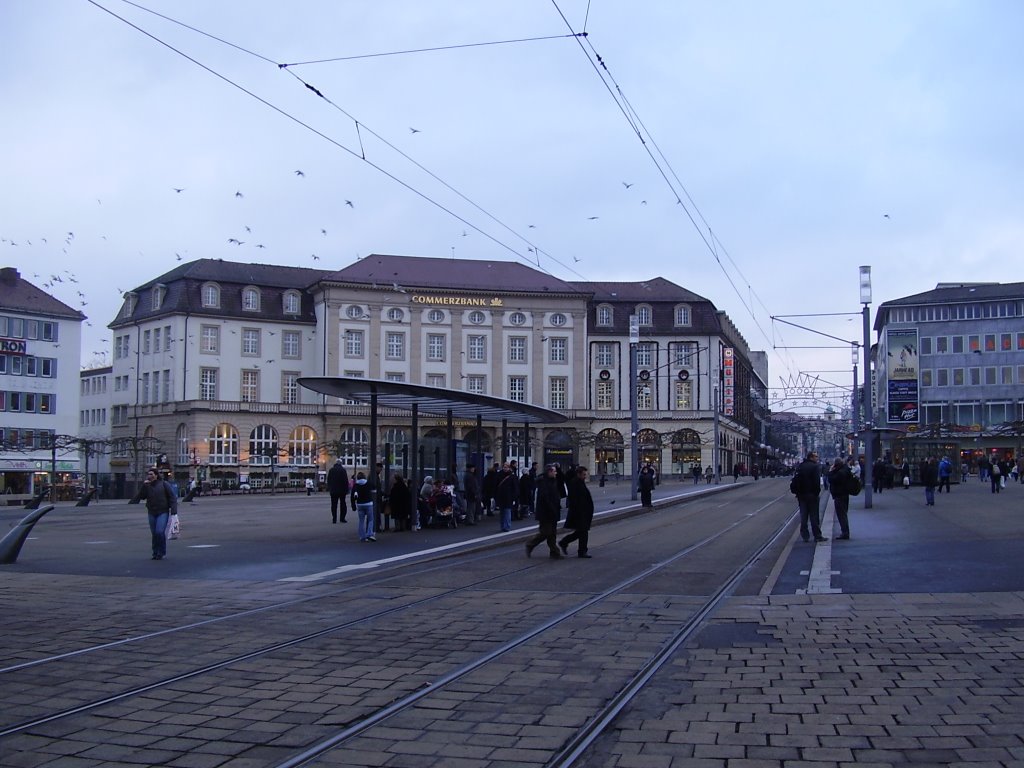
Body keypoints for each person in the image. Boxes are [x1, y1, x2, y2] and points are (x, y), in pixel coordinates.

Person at [132, 467, 177, 560]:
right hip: (151, 511)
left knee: (159, 532)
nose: (150, 476)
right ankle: (155, 552)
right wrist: (143, 486)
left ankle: (161, 551)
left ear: (156, 475)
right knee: (154, 533)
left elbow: (172, 497)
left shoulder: (164, 484)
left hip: (162, 511)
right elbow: (141, 496)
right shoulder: (147, 486)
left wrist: (174, 512)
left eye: (151, 474)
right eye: (148, 474)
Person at [525, 464, 563, 558]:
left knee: (552, 533)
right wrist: (552, 508)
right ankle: (530, 544)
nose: (556, 473)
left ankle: (554, 552)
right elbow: (545, 498)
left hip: (552, 511)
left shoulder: (553, 480)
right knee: (546, 532)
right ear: (549, 472)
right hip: (546, 512)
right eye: (554, 471)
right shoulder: (543, 482)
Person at [559, 465, 594, 557]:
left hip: (583, 512)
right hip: (580, 512)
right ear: (578, 474)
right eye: (583, 474)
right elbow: (575, 499)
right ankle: (582, 551)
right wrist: (581, 510)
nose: (585, 476)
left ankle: (564, 542)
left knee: (581, 532)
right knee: (583, 532)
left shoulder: (579, 482)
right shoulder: (575, 483)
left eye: (585, 474)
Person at [792, 451, 826, 543]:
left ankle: (805, 536)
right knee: (814, 516)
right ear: (811, 457)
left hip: (801, 495)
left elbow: (795, 479)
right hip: (811, 494)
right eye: (816, 456)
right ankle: (817, 536)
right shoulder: (815, 467)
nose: (817, 458)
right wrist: (816, 493)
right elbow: (816, 482)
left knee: (803, 516)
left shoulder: (800, 466)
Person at [827, 458, 853, 540]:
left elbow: (832, 480)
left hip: (840, 495)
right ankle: (845, 532)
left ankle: (845, 533)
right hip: (844, 494)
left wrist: (831, 471)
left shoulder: (841, 472)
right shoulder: (844, 470)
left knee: (841, 515)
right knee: (843, 514)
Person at [350, 471, 376, 541]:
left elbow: (352, 496)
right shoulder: (368, 483)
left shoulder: (356, 485)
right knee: (370, 520)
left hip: (360, 504)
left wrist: (353, 506)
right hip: (368, 504)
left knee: (361, 521)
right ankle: (369, 534)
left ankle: (362, 536)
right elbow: (374, 487)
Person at [494, 462, 518, 532]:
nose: (505, 468)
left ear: (509, 468)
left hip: (508, 496)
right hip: (501, 496)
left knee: (507, 511)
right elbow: (495, 486)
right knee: (502, 512)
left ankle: (506, 526)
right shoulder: (500, 475)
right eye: (504, 467)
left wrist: (514, 497)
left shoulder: (511, 476)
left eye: (506, 467)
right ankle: (503, 526)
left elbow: (515, 487)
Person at [326, 459, 349, 524]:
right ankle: (342, 518)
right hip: (342, 490)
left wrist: (330, 488)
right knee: (343, 504)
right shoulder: (343, 470)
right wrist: (347, 490)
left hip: (333, 490)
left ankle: (334, 519)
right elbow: (345, 481)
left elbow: (329, 480)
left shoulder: (331, 470)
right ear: (341, 463)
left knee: (334, 505)